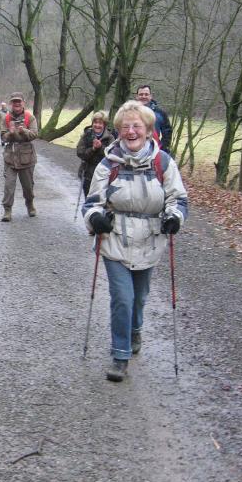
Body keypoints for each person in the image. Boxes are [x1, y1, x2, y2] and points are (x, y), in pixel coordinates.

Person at [82, 100, 187, 383]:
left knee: (139, 298)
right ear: (118, 131)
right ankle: (120, 355)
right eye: (125, 127)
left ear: (149, 130)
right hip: (115, 239)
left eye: (136, 126)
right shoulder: (108, 164)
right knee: (123, 299)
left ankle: (135, 330)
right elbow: (91, 203)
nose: (131, 131)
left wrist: (174, 217)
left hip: (150, 240)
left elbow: (178, 199)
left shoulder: (163, 163)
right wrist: (96, 218)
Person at [0, 92, 38, 222]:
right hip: (10, 157)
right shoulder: (6, 118)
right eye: (14, 101)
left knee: (28, 186)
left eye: (19, 101)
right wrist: (10, 133)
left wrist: (24, 131)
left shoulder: (30, 117)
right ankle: (7, 210)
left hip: (26, 157)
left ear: (23, 103)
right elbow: (3, 137)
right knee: (8, 186)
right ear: (11, 103)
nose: (16, 103)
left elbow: (34, 134)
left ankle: (30, 204)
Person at [75, 111, 114, 199]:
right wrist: (93, 149)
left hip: (104, 175)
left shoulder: (110, 137)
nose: (97, 125)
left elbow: (112, 155)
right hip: (87, 174)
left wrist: (100, 147)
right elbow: (80, 153)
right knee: (89, 199)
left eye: (100, 123)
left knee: (101, 200)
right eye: (95, 122)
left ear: (104, 124)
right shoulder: (87, 135)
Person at [135, 85, 172, 154]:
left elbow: (167, 132)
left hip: (154, 151)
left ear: (150, 96)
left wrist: (162, 148)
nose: (143, 96)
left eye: (146, 94)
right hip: (133, 151)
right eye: (141, 94)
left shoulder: (160, 113)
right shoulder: (129, 112)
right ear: (136, 96)